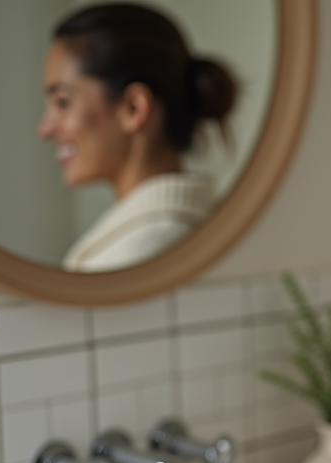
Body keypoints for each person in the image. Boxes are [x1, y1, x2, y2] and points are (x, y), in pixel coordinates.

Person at [36, 3, 236, 272]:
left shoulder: (131, 259)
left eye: (62, 102)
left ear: (133, 108)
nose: (44, 129)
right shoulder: (208, 231)